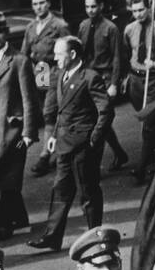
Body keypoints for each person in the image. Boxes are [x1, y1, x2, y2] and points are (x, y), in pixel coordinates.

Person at [28, 36, 112, 251]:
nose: (54, 58)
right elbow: (62, 112)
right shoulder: (62, 75)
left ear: (72, 54)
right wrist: (55, 135)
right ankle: (52, 237)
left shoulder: (90, 77)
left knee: (88, 192)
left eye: (59, 53)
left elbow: (106, 111)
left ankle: (96, 235)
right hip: (65, 144)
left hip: (83, 146)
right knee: (60, 190)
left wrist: (93, 138)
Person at [0, 12, 39, 241]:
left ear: (6, 33)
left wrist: (29, 132)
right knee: (5, 176)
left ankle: (4, 225)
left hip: (13, 130)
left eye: (0, 32)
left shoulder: (19, 60)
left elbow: (29, 98)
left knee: (7, 178)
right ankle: (20, 218)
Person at [77, 0, 131, 172]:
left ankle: (100, 159)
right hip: (88, 77)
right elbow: (80, 54)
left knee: (102, 118)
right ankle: (119, 153)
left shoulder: (111, 28)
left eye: (93, 7)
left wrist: (114, 83)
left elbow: (117, 58)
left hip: (105, 77)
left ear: (101, 6)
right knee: (99, 120)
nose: (90, 10)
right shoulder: (83, 26)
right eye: (86, 7)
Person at [20, 0, 68, 177]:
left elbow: (69, 47)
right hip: (40, 71)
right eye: (35, 4)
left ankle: (45, 155)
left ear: (48, 4)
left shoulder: (59, 25)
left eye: (41, 3)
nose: (38, 7)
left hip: (55, 70)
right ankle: (56, 147)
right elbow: (25, 52)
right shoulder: (31, 27)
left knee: (49, 113)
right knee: (46, 113)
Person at [123, 0, 155, 186]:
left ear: (149, 8)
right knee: (148, 122)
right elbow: (127, 52)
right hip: (136, 79)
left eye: (141, 10)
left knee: (150, 122)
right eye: (134, 11)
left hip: (153, 80)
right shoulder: (129, 29)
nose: (138, 14)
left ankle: (141, 168)